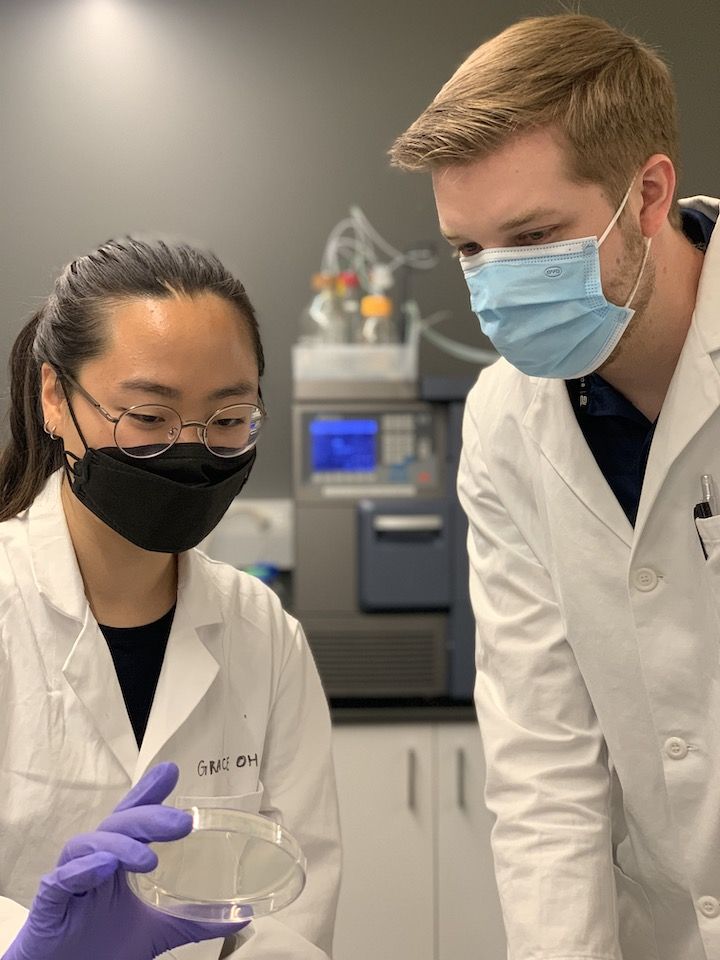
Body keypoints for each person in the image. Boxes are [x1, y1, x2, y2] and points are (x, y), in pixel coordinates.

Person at [390, 13, 719, 960]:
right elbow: (545, 763)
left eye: (533, 236)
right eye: (470, 250)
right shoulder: (504, 425)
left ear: (648, 193)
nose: (498, 285)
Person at [0, 236, 341, 960]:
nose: (192, 451)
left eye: (226, 422)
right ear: (56, 397)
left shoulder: (264, 635)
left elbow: (295, 901)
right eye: (149, 419)